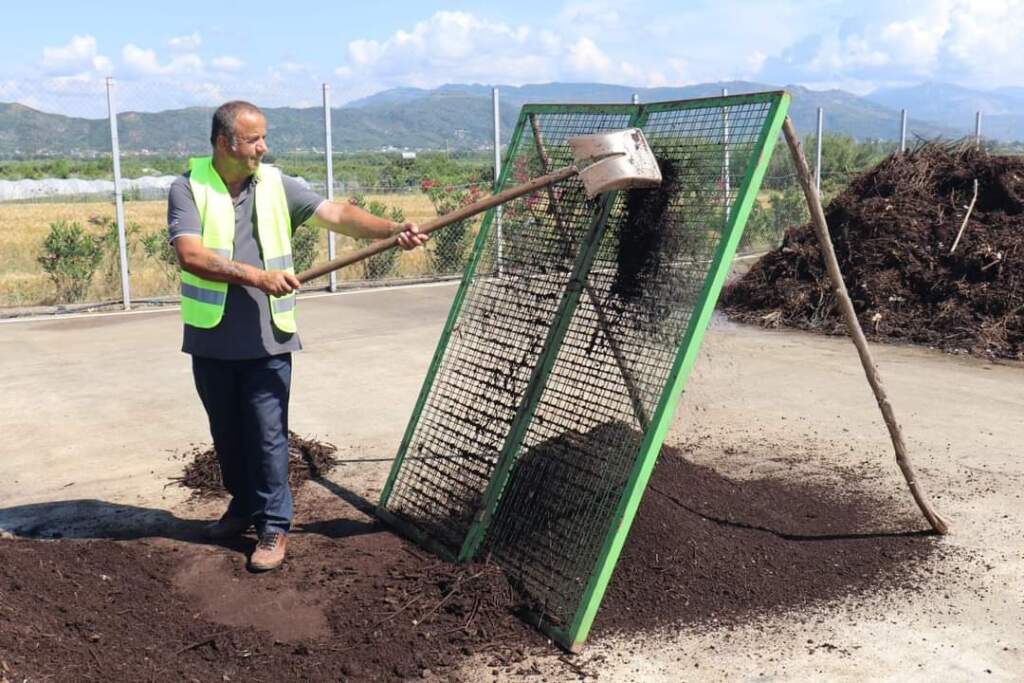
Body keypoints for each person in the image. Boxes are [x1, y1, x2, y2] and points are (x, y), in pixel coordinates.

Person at [167, 100, 428, 571]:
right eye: (254, 140)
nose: (263, 148)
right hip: (211, 339)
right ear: (225, 143)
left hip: (268, 339)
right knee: (227, 435)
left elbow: (337, 214)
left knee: (268, 435)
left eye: (263, 138)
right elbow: (191, 255)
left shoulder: (275, 185)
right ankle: (243, 506)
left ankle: (273, 526)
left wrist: (393, 229)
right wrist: (258, 276)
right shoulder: (188, 188)